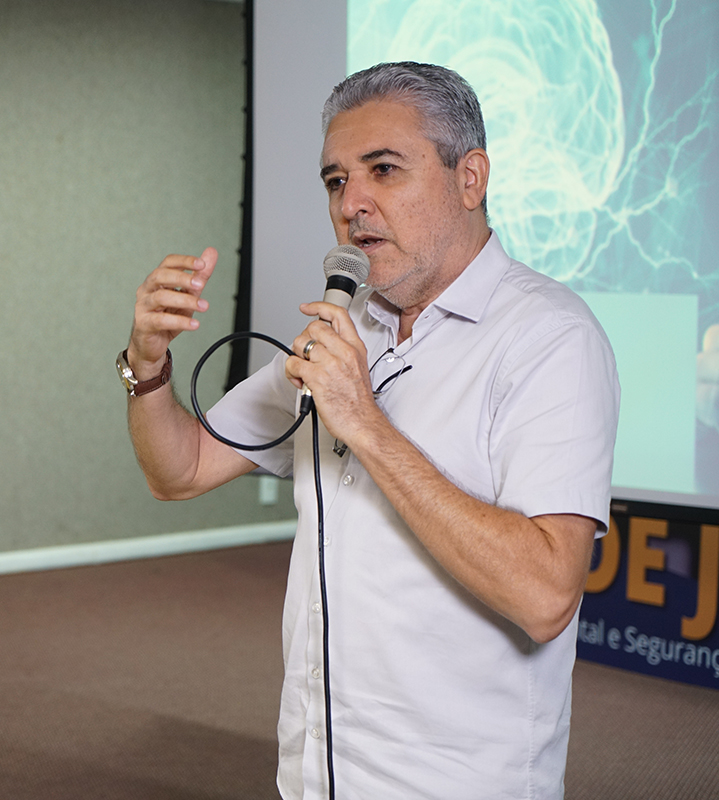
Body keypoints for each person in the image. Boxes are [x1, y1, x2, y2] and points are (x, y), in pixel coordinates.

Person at [119, 62, 620, 799]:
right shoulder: (347, 327)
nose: (351, 203)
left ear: (470, 178)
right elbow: (181, 470)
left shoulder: (550, 337)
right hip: (314, 769)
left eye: (383, 170)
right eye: (335, 181)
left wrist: (365, 423)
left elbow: (546, 595)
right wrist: (147, 365)